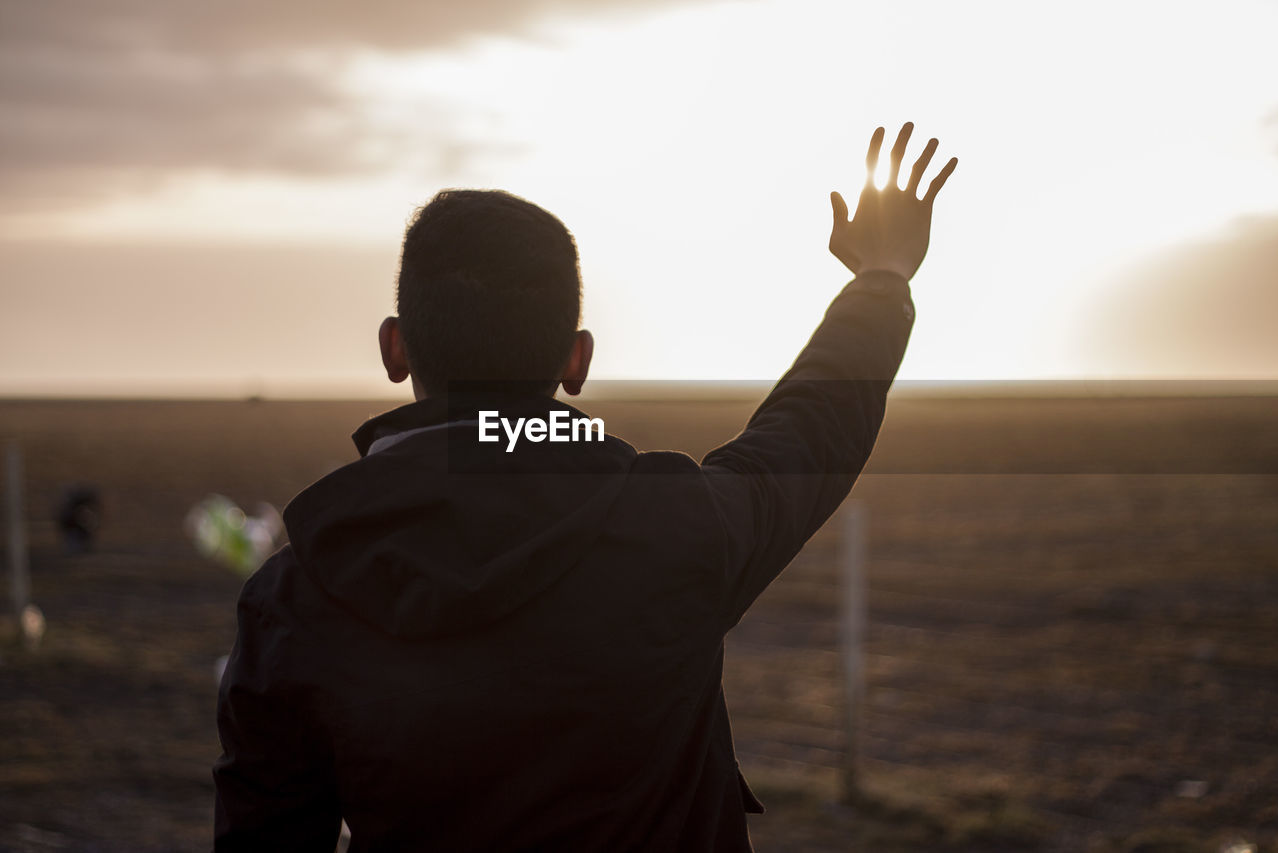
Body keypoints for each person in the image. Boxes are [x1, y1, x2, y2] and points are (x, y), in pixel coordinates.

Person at [213, 123, 956, 852]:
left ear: (394, 348)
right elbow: (806, 433)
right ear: (577, 361)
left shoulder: (295, 596)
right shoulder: (676, 527)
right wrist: (880, 282)